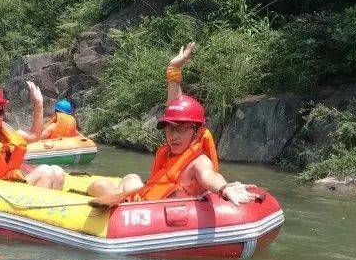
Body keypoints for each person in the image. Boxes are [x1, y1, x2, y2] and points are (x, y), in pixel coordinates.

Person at [87, 43, 255, 206]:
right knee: (131, 177)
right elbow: (175, 106)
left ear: (197, 132)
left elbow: (209, 176)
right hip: (145, 199)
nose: (173, 136)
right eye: (169, 129)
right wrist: (173, 68)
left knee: (100, 186)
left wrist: (224, 188)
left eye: (180, 129)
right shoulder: (174, 152)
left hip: (148, 210)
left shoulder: (199, 161)